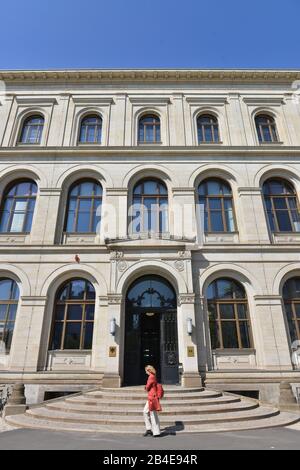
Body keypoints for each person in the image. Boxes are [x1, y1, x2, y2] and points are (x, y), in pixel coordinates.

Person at [143, 365, 162, 437]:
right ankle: (149, 429)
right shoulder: (153, 376)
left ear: (149, 370)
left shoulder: (151, 377)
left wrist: (145, 387)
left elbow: (147, 387)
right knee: (146, 411)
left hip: (152, 397)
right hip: (152, 396)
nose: (145, 372)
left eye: (146, 371)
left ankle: (156, 432)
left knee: (153, 414)